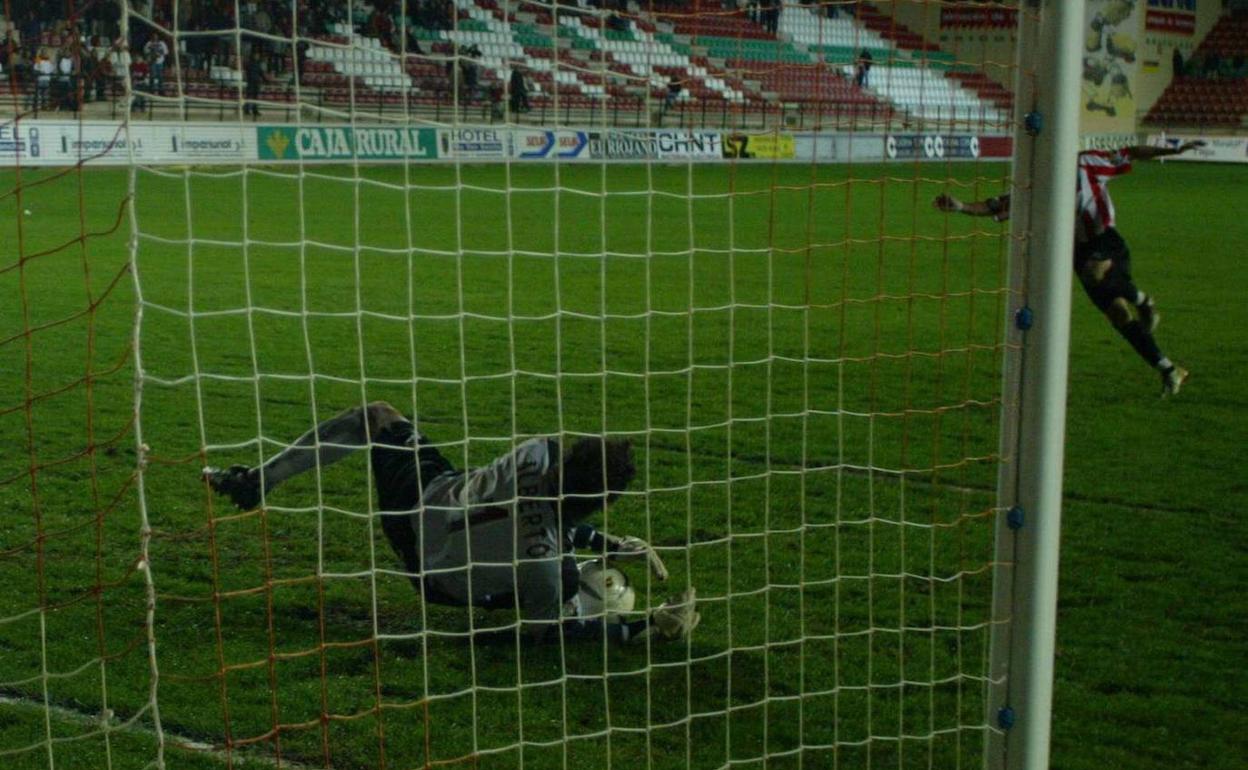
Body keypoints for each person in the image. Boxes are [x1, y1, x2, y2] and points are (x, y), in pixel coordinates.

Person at [204, 401, 700, 644]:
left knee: (375, 416)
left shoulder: (536, 452)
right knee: (562, 597)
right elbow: (543, 626)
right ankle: (617, 613)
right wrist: (642, 630)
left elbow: (540, 510)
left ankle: (259, 481)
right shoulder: (544, 564)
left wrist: (607, 542)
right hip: (434, 573)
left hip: (426, 495)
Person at [933, 141, 1207, 396]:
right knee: (1119, 316)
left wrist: (1174, 151)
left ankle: (1144, 301)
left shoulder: (1088, 162)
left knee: (1094, 271)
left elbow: (1131, 152)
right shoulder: (1036, 183)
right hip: (1078, 252)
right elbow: (997, 205)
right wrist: (961, 207)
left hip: (1106, 241)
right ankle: (1169, 369)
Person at [243, 48, 266, 117]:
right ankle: (246, 110)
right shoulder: (249, 63)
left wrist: (265, 80)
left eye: (258, 55)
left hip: (256, 82)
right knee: (249, 96)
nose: (257, 56)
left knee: (255, 97)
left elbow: (261, 73)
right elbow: (247, 72)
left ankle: (255, 110)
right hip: (251, 82)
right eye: (256, 55)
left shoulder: (258, 64)